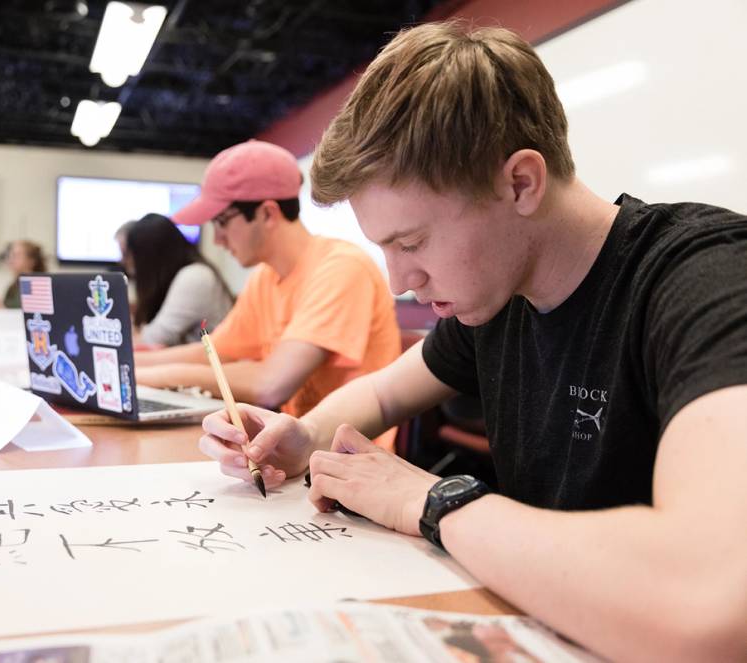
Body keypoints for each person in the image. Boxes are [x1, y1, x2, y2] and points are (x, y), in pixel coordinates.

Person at [198, 21, 747, 661]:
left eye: (411, 242)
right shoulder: (499, 298)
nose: (400, 280)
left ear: (520, 183)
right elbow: (379, 393)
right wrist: (304, 436)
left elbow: (713, 600)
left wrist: (433, 501)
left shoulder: (704, 280)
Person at [135, 140, 401, 447]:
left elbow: (271, 385)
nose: (218, 239)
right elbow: (212, 353)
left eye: (221, 222)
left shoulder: (341, 267)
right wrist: (130, 364)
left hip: (349, 464)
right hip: (296, 454)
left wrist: (157, 375)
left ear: (268, 213)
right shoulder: (264, 277)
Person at [123, 213, 233, 347]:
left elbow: (154, 339)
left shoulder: (195, 276)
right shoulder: (183, 276)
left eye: (128, 255)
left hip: (212, 364)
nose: (125, 263)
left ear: (147, 256)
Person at [0, 240, 46, 311]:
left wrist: (1, 307)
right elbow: (7, 307)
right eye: (10, 255)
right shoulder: (13, 287)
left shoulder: (36, 286)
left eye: (16, 255)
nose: (11, 259)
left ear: (31, 261)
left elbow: (27, 313)